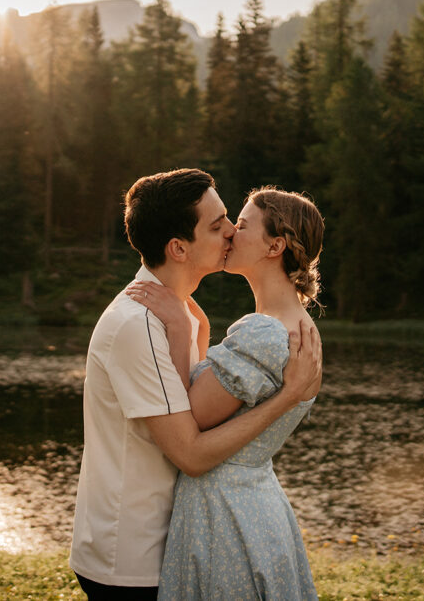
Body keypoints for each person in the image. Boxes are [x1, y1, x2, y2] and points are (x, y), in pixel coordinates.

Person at [69, 170, 322, 600]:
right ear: (179, 247)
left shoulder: (181, 317)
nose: (228, 232)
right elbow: (190, 444)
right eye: (220, 223)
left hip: (203, 526)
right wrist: (194, 331)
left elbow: (194, 416)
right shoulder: (144, 322)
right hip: (131, 556)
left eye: (236, 222)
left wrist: (192, 329)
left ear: (275, 246)